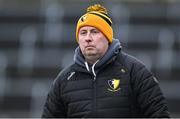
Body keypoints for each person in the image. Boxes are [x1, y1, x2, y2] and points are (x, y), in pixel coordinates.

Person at [42, 4, 170, 118]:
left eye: (94, 32)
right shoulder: (64, 79)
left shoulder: (135, 71)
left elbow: (159, 114)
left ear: (107, 37)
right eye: (83, 33)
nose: (88, 38)